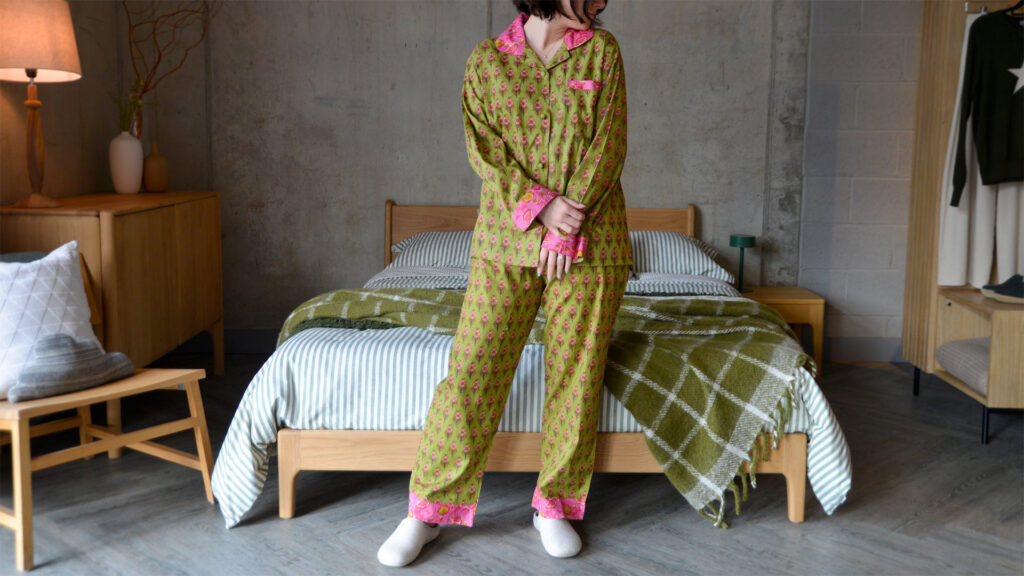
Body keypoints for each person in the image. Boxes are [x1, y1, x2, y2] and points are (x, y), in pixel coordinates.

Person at [378, 0, 630, 566]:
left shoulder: (604, 52)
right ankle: (428, 510)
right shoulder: (486, 61)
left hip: (591, 242)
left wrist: (568, 224)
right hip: (504, 241)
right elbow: (485, 149)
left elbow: (609, 143)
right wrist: (543, 209)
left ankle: (555, 506)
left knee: (576, 376)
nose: (602, 3)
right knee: (472, 371)